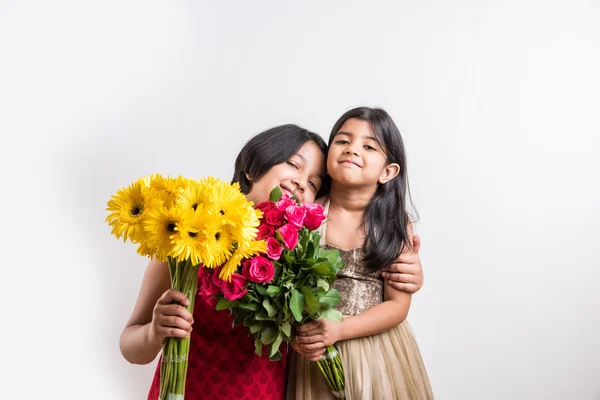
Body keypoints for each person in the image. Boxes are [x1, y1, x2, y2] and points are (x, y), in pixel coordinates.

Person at [119, 123, 425, 400]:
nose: (302, 183)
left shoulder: (301, 255)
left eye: (315, 183)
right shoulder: (187, 240)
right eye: (293, 164)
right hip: (185, 390)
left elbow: (356, 265)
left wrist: (410, 271)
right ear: (252, 167)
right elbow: (131, 347)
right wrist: (154, 332)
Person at [287, 107, 434, 399]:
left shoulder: (392, 224)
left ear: (387, 172)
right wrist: (296, 337)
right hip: (315, 353)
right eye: (342, 141)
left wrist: (340, 330)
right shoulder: (306, 214)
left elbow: (397, 306)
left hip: (376, 351)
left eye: (368, 146)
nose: (352, 149)